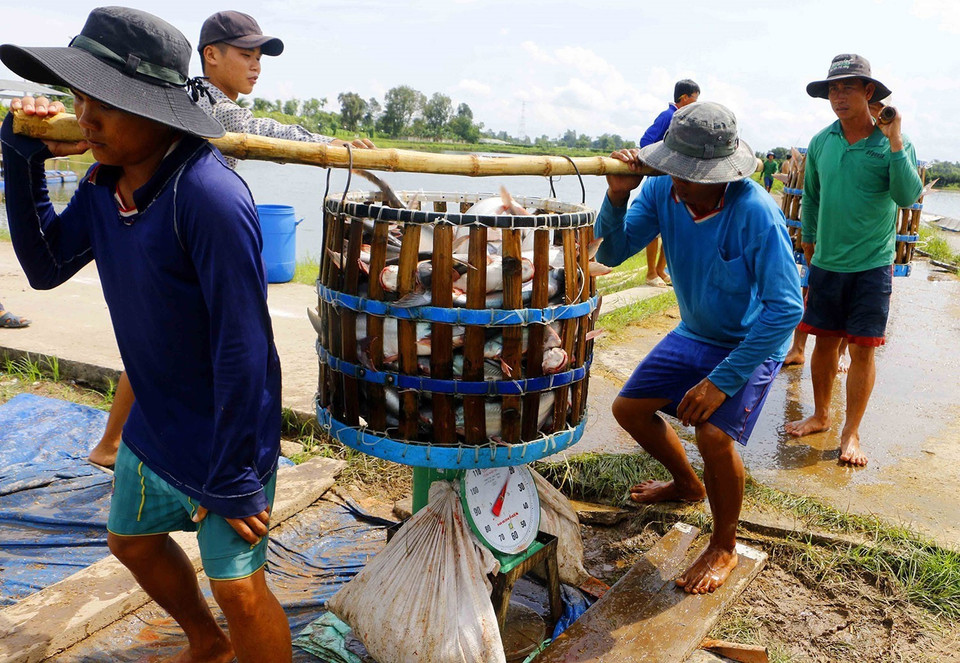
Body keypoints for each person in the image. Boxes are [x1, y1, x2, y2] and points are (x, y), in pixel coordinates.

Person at [1, 8, 290, 662]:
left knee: (239, 589)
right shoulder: (104, 184)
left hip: (224, 430)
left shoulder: (209, 197)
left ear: (155, 108)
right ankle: (206, 644)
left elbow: (244, 347)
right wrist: (21, 161)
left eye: (104, 103)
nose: (85, 117)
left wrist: (234, 475)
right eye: (79, 98)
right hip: (155, 420)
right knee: (130, 542)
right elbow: (45, 266)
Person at [76, 9, 377, 469]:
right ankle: (164, 449)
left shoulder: (208, 101)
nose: (255, 66)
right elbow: (263, 131)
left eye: (259, 58)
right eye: (245, 54)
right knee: (205, 345)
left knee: (160, 345)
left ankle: (118, 441)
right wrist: (328, 147)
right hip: (176, 235)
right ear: (211, 55)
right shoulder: (200, 100)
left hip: (176, 231)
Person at [596, 102, 803, 594]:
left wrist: (721, 381)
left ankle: (724, 545)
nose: (676, 179)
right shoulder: (662, 192)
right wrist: (618, 196)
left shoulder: (756, 213)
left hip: (753, 340)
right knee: (629, 409)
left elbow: (785, 309)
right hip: (695, 332)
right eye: (672, 167)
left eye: (689, 173)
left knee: (712, 435)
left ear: (722, 175)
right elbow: (611, 252)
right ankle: (688, 485)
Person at [784, 54, 922, 467]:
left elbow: (907, 196)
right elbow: (812, 197)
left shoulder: (894, 144)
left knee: (863, 350)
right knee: (824, 343)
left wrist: (894, 140)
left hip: (872, 265)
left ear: (869, 92)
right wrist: (809, 241)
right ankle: (821, 415)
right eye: (833, 89)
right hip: (827, 262)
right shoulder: (822, 142)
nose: (838, 96)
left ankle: (851, 432)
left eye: (847, 88)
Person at [639, 79, 700, 287]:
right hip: (660, 180)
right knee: (654, 227)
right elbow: (645, 142)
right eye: (694, 100)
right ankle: (650, 273)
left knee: (670, 224)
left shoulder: (685, 121)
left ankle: (660, 269)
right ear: (683, 98)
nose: (695, 105)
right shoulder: (668, 116)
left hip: (676, 180)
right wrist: (660, 161)